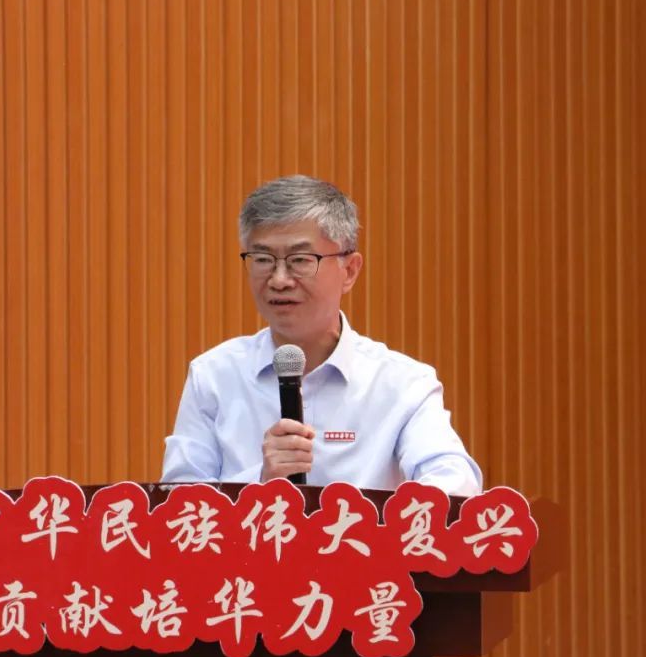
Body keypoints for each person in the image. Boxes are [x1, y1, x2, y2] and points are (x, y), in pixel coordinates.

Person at [160, 175, 483, 496]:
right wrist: (260, 481)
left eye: (300, 260)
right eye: (263, 260)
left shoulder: (402, 383)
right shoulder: (214, 376)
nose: (279, 280)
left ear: (350, 270)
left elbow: (456, 484)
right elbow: (178, 502)